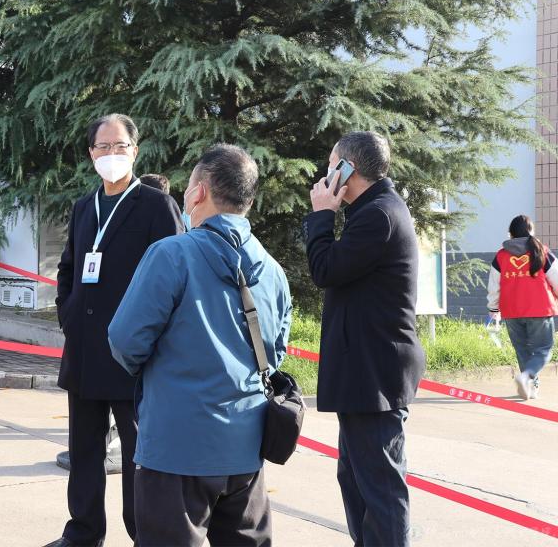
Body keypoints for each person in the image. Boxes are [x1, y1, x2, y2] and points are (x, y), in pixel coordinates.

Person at [109, 144, 291, 547]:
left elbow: (124, 339)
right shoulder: (273, 271)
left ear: (199, 192)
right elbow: (274, 354)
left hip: (175, 446)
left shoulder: (171, 254)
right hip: (245, 447)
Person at [47, 114, 183, 547]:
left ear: (135, 151)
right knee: (84, 451)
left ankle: (144, 534)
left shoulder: (156, 206)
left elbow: (176, 275)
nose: (111, 154)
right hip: (85, 351)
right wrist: (67, 313)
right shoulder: (84, 207)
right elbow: (68, 268)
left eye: (119, 146)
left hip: (133, 356)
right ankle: (83, 532)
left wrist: (151, 339)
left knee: (138, 456)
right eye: (102, 147)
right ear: (91, 154)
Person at [305, 131, 426, 547]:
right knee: (357, 479)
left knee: (378, 486)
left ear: (347, 169)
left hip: (375, 371)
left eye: (331, 165)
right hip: (366, 370)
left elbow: (325, 269)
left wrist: (322, 214)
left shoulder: (379, 214)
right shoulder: (373, 210)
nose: (326, 174)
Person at [487, 215, 558, 400]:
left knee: (523, 350)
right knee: (543, 349)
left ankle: (531, 387)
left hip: (511, 311)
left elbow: (494, 286)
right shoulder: (542, 251)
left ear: (510, 234)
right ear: (531, 231)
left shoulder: (501, 256)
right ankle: (526, 377)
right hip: (540, 309)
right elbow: (556, 279)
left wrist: (493, 309)